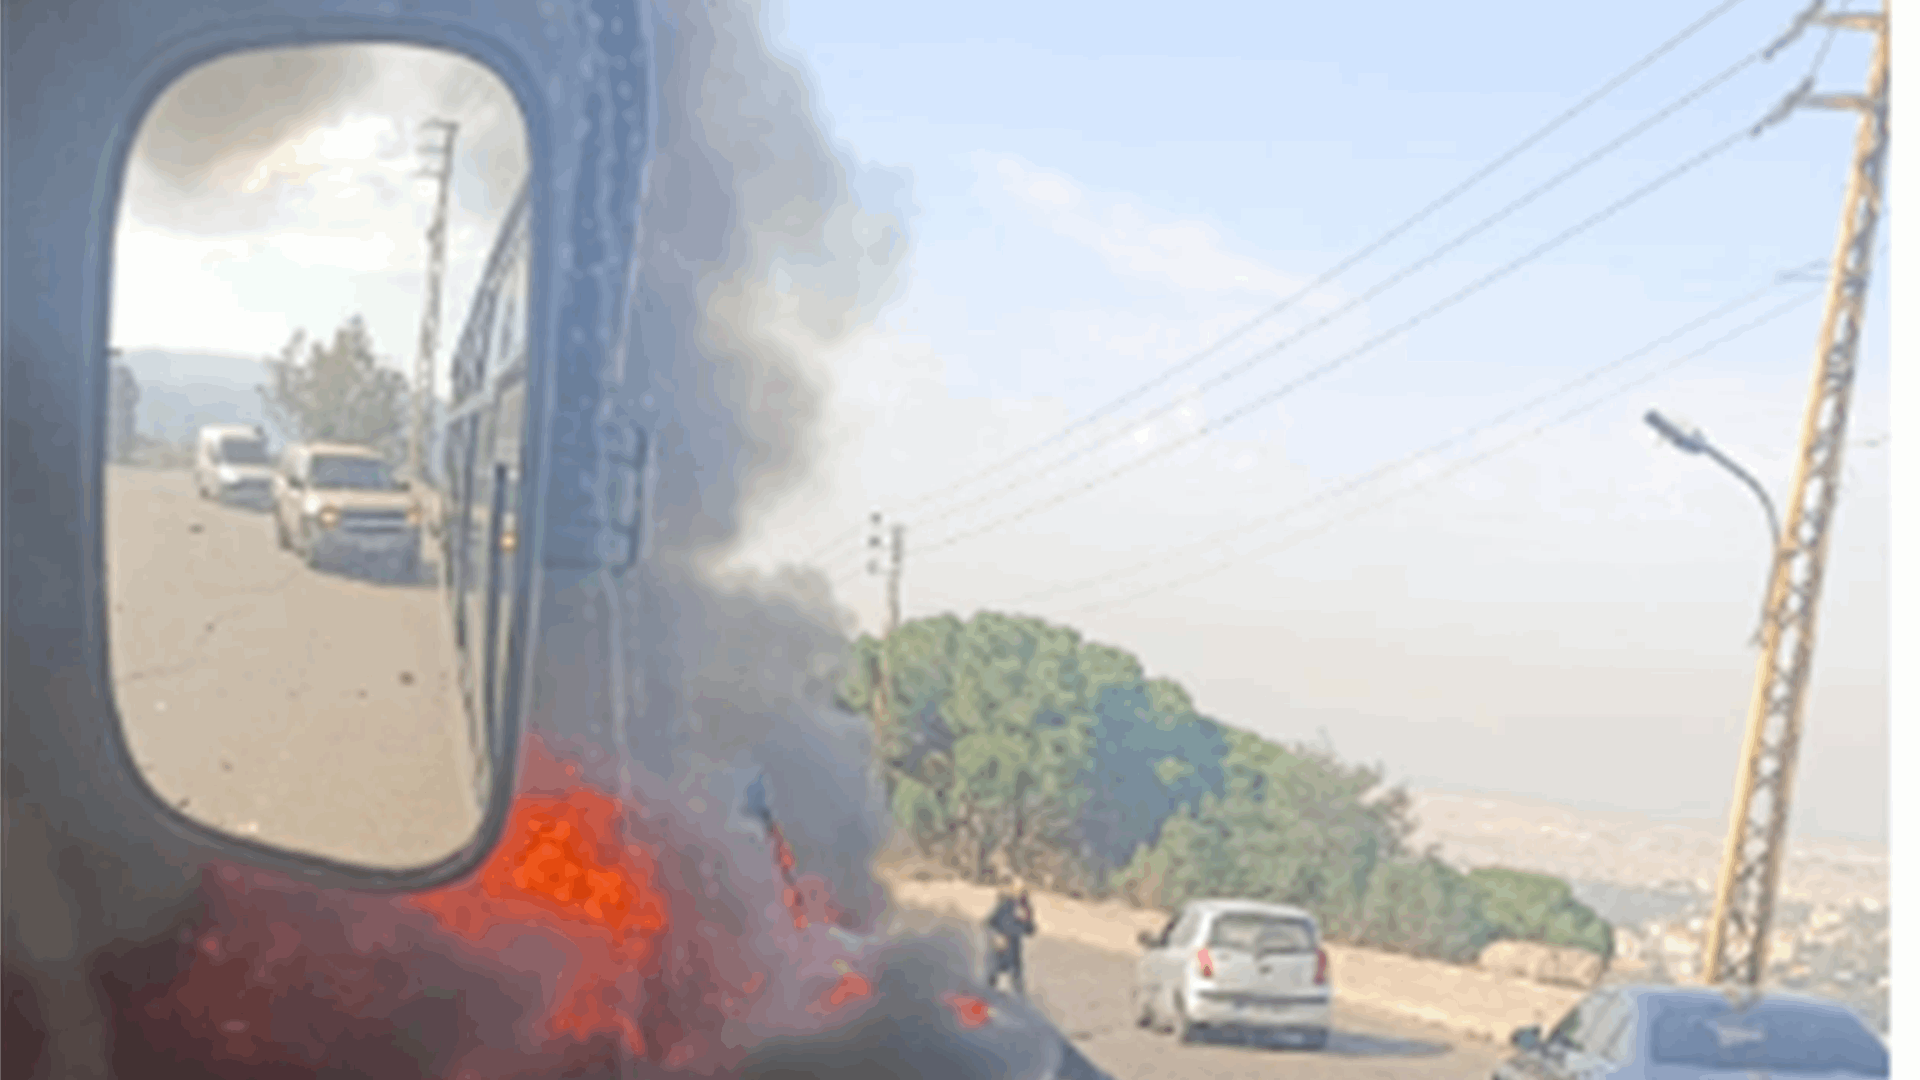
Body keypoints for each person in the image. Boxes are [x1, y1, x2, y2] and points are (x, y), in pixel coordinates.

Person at [985, 879, 1037, 997]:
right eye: (1023, 893)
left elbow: (1028, 925)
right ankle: (992, 989)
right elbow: (1000, 920)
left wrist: (1029, 927)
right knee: (1001, 963)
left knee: (1015, 965)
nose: (1025, 896)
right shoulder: (1008, 904)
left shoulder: (1025, 907)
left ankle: (1018, 993)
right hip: (1003, 937)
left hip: (1013, 940)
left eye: (1026, 893)